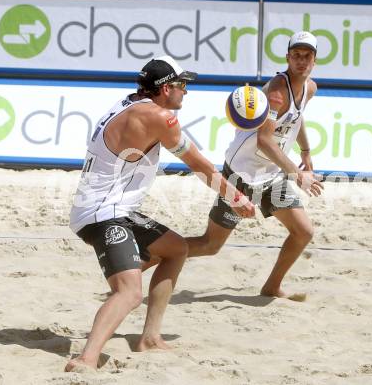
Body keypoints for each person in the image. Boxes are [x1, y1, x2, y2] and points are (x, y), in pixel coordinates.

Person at [66, 56, 255, 372]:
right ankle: (86, 359)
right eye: (182, 85)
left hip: (113, 209)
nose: (186, 92)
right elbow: (199, 165)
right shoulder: (157, 117)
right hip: (103, 214)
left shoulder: (129, 104)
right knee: (129, 292)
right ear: (165, 88)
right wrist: (235, 197)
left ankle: (150, 338)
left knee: (176, 248)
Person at [187, 31, 324, 298]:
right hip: (242, 173)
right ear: (287, 57)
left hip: (271, 173)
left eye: (307, 55)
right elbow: (264, 140)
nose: (301, 60)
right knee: (211, 245)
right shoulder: (276, 91)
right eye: (296, 55)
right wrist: (298, 175)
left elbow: (297, 118)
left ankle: (272, 287)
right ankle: (145, 260)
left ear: (314, 60)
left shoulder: (310, 88)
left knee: (303, 232)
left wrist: (305, 151)